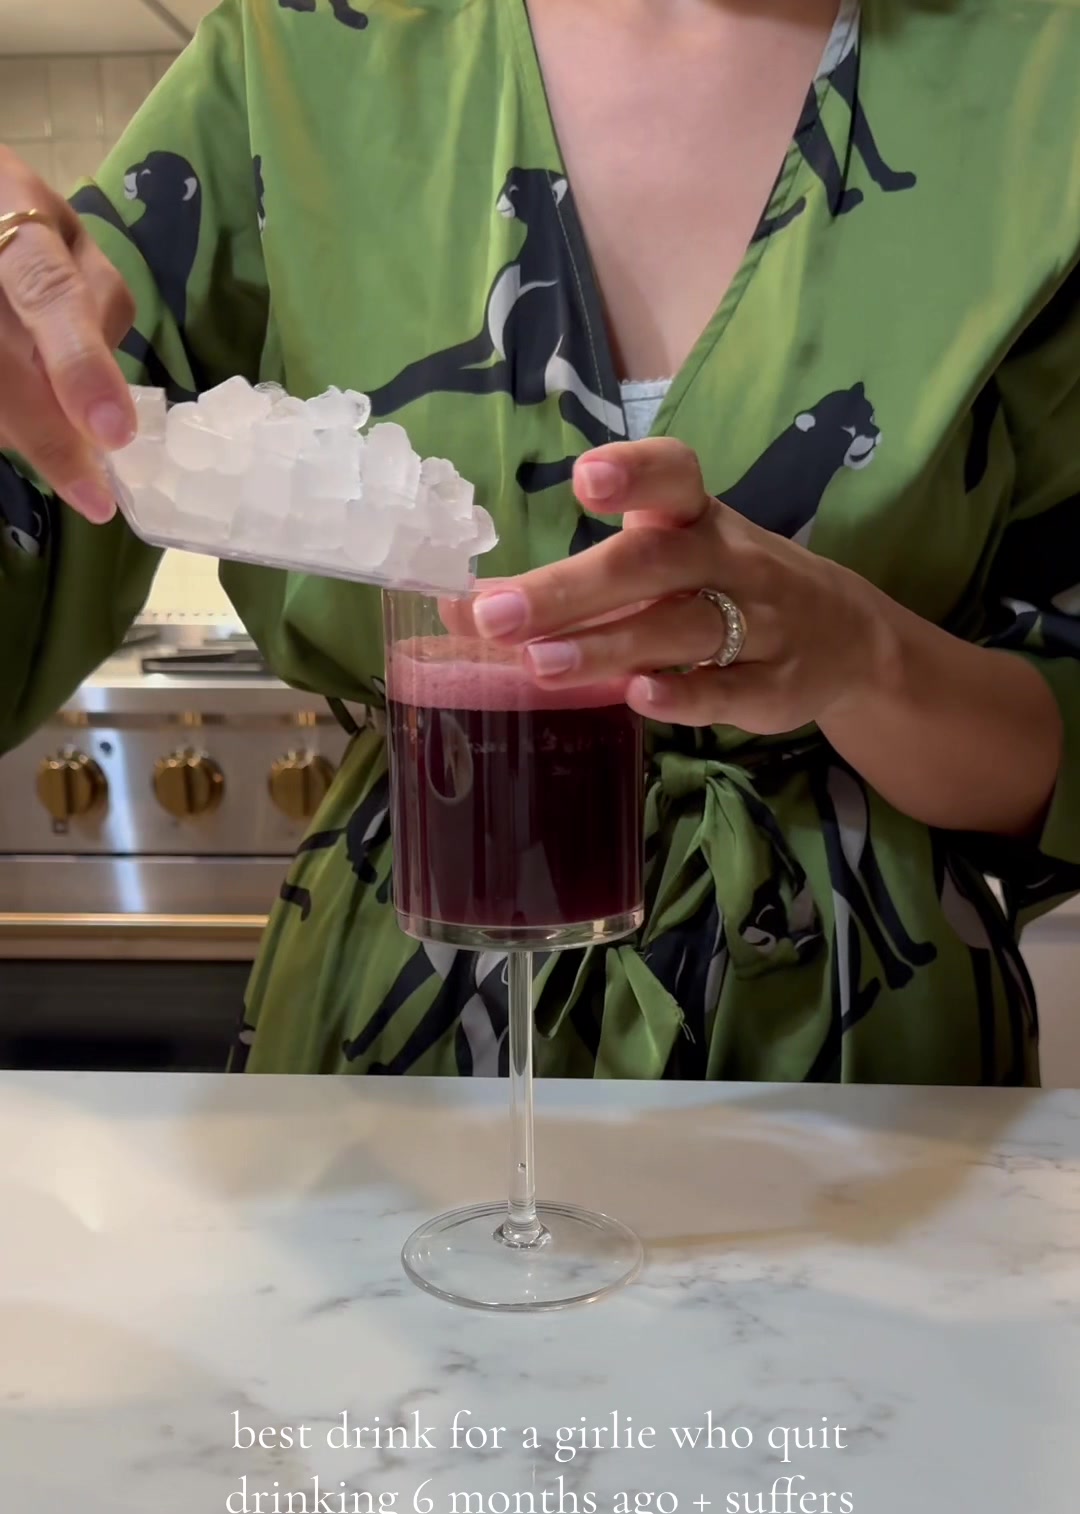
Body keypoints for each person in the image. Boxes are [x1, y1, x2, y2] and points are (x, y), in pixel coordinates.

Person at [1, 0, 1079, 1084]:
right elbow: (48, 490)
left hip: (868, 1061)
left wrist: (869, 660)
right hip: (405, 1029)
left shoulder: (1048, 83)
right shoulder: (292, 52)